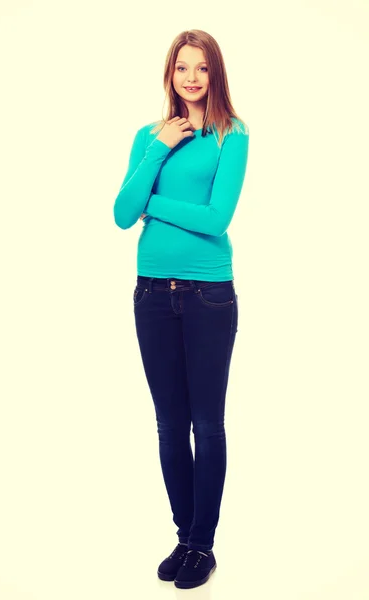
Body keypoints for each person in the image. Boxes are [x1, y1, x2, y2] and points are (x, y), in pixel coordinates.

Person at [113, 29, 249, 589]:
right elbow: (123, 213)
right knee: (170, 424)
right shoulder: (150, 136)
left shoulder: (231, 135)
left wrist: (154, 202)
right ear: (170, 74)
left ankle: (203, 544)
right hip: (151, 295)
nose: (191, 78)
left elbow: (217, 220)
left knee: (205, 423)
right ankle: (183, 536)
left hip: (207, 296)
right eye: (181, 68)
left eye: (202, 69)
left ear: (214, 74)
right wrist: (159, 148)